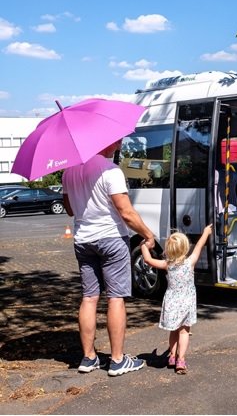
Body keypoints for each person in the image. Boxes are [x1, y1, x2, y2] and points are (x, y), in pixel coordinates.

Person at [62, 138, 156, 377]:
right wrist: (147, 235)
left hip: (83, 240)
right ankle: (117, 360)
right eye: (117, 140)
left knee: (89, 298)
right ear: (105, 141)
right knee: (115, 298)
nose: (120, 142)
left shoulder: (69, 172)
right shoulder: (110, 170)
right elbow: (126, 212)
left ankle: (88, 357)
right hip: (111, 239)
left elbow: (71, 209)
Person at [140, 224, 213, 374]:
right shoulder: (190, 262)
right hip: (186, 301)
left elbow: (147, 260)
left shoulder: (167, 264)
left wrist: (143, 246)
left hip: (172, 301)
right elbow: (199, 245)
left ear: (168, 250)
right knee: (184, 332)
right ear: (185, 249)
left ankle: (172, 356)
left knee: (173, 331)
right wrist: (205, 232)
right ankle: (181, 359)